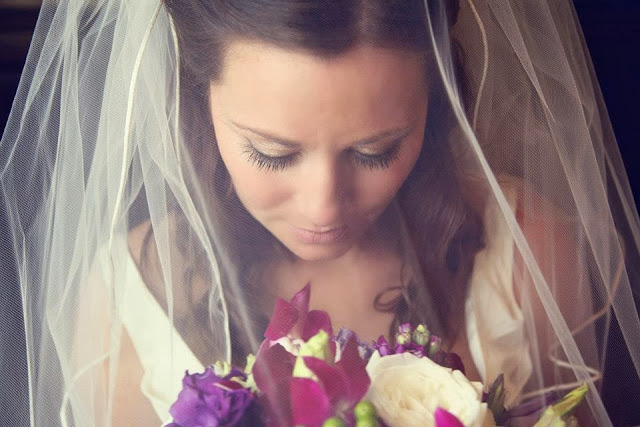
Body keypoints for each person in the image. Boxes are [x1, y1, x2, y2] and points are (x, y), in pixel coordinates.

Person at [1, 0, 639, 425]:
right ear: (198, 99)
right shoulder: (130, 299)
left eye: (376, 150)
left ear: (439, 95)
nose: (324, 206)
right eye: (273, 154)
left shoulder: (531, 249)